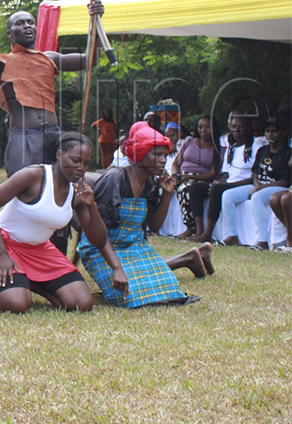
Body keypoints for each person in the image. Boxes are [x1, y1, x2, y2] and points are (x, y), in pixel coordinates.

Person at [0, 133, 125, 313]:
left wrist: (91, 206)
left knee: (81, 303)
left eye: (86, 163)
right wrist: (2, 254)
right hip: (5, 246)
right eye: (75, 160)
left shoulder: (78, 191)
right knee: (16, 305)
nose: (81, 167)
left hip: (40, 251)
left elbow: (98, 239)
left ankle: (29, 282)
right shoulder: (34, 175)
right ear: (59, 155)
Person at [77, 122, 211, 309]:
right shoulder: (115, 179)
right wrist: (117, 268)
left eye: (165, 155)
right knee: (129, 297)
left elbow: (154, 227)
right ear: (139, 154)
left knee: (170, 291)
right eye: (156, 155)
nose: (163, 160)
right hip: (101, 248)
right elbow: (100, 235)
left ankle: (188, 259)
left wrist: (167, 194)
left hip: (134, 245)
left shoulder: (151, 183)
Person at [0, 0, 104, 178]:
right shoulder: (3, 62)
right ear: (10, 33)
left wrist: (96, 22)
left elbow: (91, 60)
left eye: (30, 22)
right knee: (23, 188)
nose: (27, 25)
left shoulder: (49, 58)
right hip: (23, 135)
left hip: (52, 134)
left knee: (57, 187)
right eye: (20, 23)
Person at [218, 118, 291, 250]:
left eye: (274, 132)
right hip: (258, 186)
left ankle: (263, 241)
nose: (269, 135)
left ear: (283, 133)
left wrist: (259, 188)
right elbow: (256, 173)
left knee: (257, 197)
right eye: (267, 132)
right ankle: (232, 236)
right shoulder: (263, 150)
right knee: (228, 195)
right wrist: (257, 185)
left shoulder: (288, 153)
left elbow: (285, 181)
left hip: (277, 187)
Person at [190, 114, 260, 243]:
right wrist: (217, 182)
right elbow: (226, 174)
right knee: (195, 188)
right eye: (233, 127)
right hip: (229, 183)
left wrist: (220, 186)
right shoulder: (231, 148)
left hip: (246, 185)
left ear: (248, 129)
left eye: (240, 127)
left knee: (218, 189)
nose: (236, 130)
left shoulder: (256, 147)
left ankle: (208, 234)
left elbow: (253, 178)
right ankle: (199, 230)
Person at [172, 115, 220, 240]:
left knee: (186, 189)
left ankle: (191, 228)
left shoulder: (217, 148)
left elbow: (213, 173)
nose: (203, 130)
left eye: (207, 127)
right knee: (160, 187)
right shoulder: (189, 142)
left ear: (214, 129)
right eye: (200, 127)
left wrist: (188, 176)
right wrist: (176, 175)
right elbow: (175, 163)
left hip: (199, 178)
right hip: (182, 175)